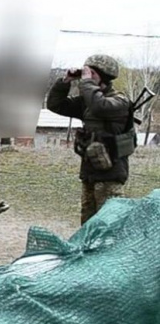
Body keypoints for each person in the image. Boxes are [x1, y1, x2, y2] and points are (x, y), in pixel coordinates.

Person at [46, 54, 133, 225]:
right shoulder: (88, 101)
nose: (86, 76)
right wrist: (66, 81)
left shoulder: (119, 101)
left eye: (92, 73)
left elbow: (99, 107)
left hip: (110, 173)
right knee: (88, 222)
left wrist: (86, 82)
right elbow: (55, 105)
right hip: (90, 171)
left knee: (109, 223)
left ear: (104, 77)